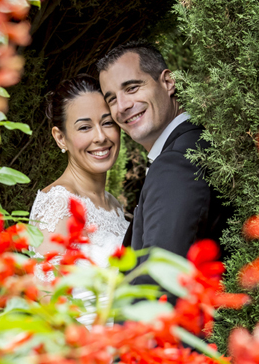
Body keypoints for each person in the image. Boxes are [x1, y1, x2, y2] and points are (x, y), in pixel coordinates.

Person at [97, 41, 232, 282]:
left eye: (132, 88)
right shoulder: (193, 143)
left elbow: (159, 283)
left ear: (168, 82)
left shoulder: (176, 163)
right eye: (112, 99)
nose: (123, 106)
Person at [29, 74, 129, 323]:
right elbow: (50, 312)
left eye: (107, 123)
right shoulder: (57, 205)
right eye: (85, 127)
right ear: (60, 137)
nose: (100, 137)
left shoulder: (113, 205)